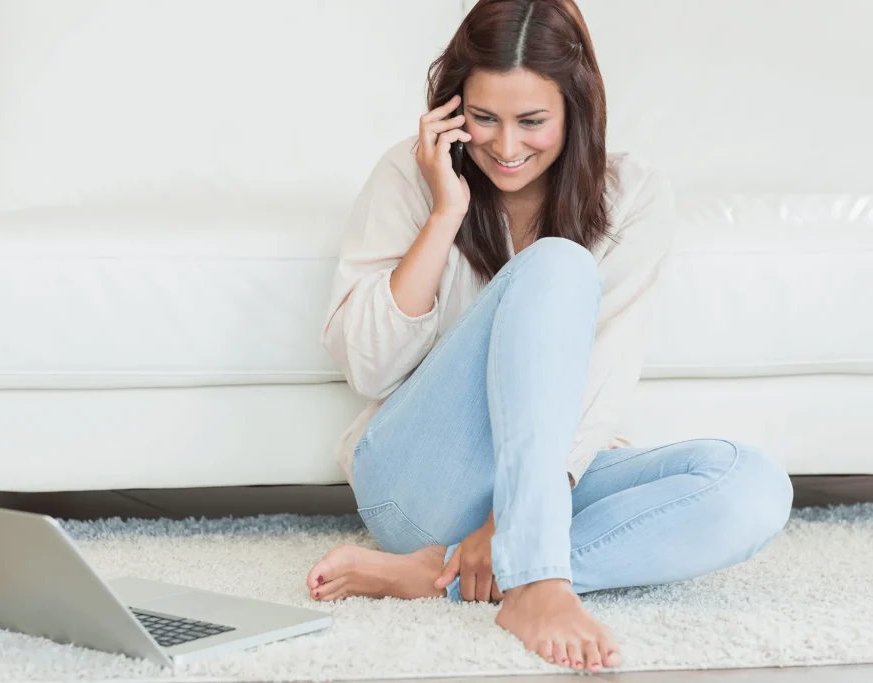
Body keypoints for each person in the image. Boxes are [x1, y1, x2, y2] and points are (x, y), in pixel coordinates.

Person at [306, 0, 793, 674]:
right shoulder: (411, 174)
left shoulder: (636, 196)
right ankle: (535, 579)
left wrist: (512, 521)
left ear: (577, 109)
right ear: (453, 109)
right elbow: (368, 366)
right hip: (419, 484)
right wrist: (445, 212)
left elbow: (604, 379)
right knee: (559, 264)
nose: (506, 148)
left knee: (754, 486)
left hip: (555, 478)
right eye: (484, 119)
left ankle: (448, 576)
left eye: (533, 121)